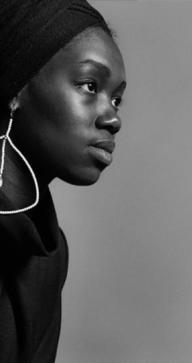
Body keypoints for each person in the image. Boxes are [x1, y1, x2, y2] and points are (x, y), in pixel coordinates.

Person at [0, 0, 126, 360]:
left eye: (117, 99)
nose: (113, 118)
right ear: (16, 87)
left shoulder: (50, 254)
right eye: (90, 85)